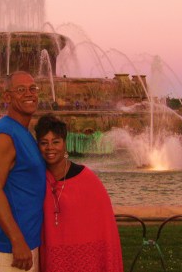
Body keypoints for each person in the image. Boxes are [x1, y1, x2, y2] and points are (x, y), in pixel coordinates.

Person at [34, 114, 123, 272]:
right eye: (43, 143)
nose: (50, 148)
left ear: (65, 144)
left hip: (84, 261)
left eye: (56, 142)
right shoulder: (35, 179)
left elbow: (105, 228)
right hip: (50, 256)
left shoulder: (87, 180)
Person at [0, 71, 46, 272]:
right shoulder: (4, 136)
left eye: (32, 88)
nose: (29, 94)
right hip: (10, 247)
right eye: (21, 90)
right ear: (7, 97)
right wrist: (17, 241)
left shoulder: (22, 132)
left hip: (26, 241)